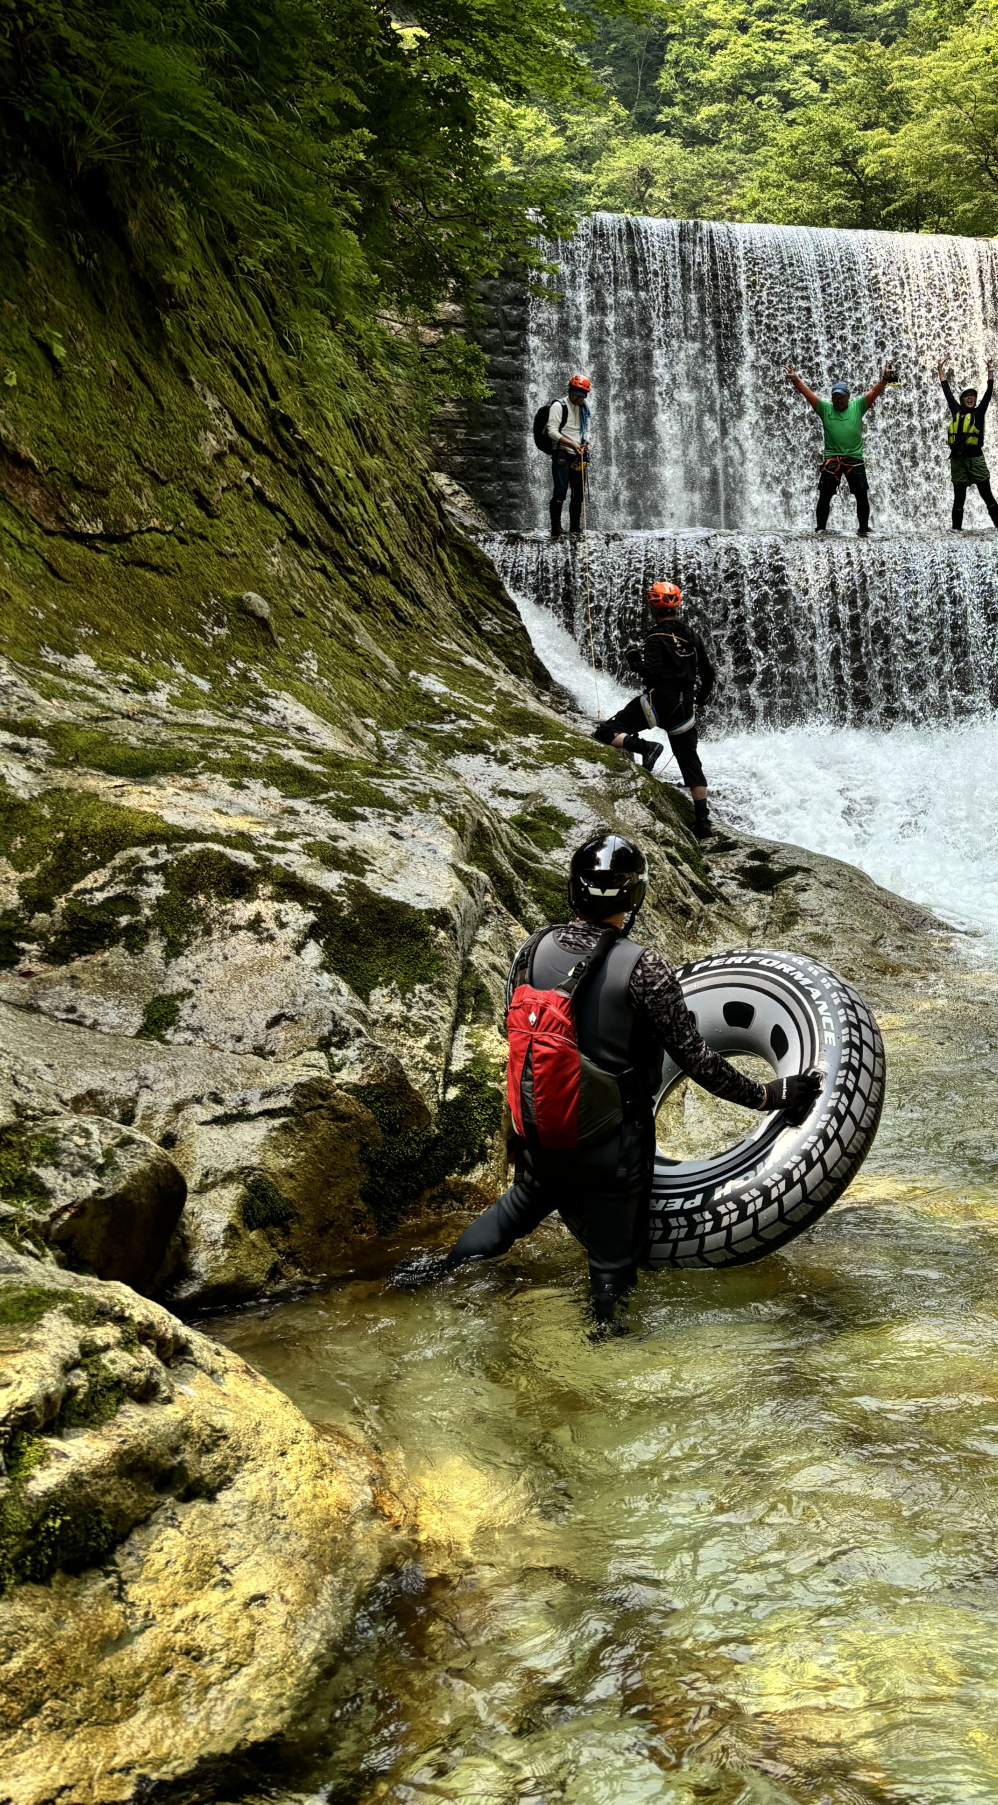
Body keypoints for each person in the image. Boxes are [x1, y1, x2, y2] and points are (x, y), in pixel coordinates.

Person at [434, 834, 823, 1338]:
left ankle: (437, 1278)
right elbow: (698, 1061)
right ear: (633, 897)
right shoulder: (645, 968)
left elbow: (519, 1041)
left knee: (512, 1214)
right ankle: (606, 1353)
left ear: (574, 890)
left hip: (543, 1131)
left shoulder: (531, 950)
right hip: (612, 1148)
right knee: (613, 1270)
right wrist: (770, 1096)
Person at [594, 578, 718, 839]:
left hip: (658, 701)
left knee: (606, 731)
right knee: (691, 763)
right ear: (677, 606)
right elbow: (708, 673)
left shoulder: (655, 636)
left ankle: (645, 747)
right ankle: (703, 824)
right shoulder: (693, 637)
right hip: (685, 706)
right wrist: (702, 698)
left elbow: (650, 673)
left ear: (653, 606)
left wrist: (633, 659)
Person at [786, 365, 896, 536]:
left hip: (854, 457)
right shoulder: (824, 409)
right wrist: (795, 379)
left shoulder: (857, 406)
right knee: (825, 495)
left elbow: (873, 393)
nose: (838, 400)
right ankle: (821, 527)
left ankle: (864, 527)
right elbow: (807, 394)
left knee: (861, 494)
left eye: (841, 397)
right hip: (833, 458)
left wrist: (884, 379)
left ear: (848, 397)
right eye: (835, 397)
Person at [935, 357, 998, 531]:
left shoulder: (979, 413)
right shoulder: (956, 410)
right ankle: (956, 530)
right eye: (966, 396)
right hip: (958, 461)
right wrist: (940, 370)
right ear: (962, 400)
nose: (970, 398)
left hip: (976, 459)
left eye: (972, 396)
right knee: (959, 499)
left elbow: (988, 393)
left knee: (987, 495)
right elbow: (947, 391)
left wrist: (990, 372)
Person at [545, 373, 591, 540]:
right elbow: (552, 431)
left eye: (582, 396)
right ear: (570, 391)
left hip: (579, 454)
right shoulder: (559, 406)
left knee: (578, 494)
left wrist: (586, 442)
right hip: (562, 454)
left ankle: (575, 527)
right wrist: (571, 444)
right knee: (560, 490)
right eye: (576, 395)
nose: (579, 399)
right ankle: (556, 527)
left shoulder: (584, 407)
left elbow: (586, 429)